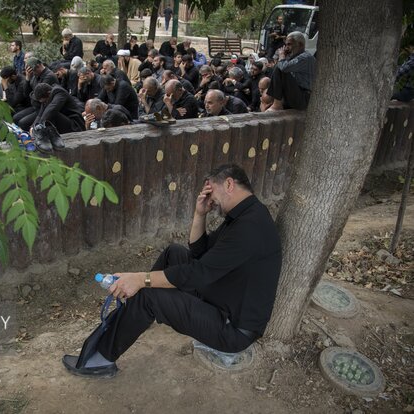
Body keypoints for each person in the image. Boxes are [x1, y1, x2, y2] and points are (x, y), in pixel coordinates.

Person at [62, 164, 282, 378]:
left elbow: (198, 272)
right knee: (173, 253)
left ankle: (100, 361)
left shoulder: (249, 227)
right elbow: (199, 252)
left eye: (211, 191)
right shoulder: (243, 216)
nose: (210, 199)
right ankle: (137, 316)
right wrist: (200, 214)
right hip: (220, 295)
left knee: (148, 293)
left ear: (229, 184)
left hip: (232, 327)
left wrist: (140, 279)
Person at [267, 31, 316, 111]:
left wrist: (282, 57)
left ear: (300, 45)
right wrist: (283, 57)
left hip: (303, 98)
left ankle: (276, 105)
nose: (286, 47)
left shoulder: (306, 57)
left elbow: (283, 68)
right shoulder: (296, 56)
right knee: (279, 66)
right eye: (286, 45)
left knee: (280, 68)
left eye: (289, 44)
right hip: (296, 95)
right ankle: (276, 103)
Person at [30, 83, 85, 151]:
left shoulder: (60, 92)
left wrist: (40, 125)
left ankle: (47, 135)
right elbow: (40, 114)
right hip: (63, 123)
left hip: (75, 125)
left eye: (45, 101)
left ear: (49, 93)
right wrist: (33, 127)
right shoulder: (47, 97)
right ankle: (44, 134)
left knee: (52, 113)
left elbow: (53, 107)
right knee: (44, 115)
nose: (44, 102)